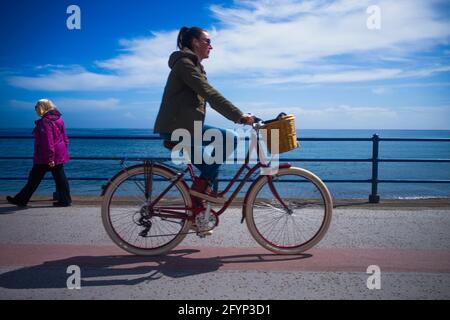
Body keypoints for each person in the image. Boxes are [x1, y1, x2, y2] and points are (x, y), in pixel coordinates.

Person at [154, 26, 254, 204]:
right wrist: (239, 115)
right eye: (208, 41)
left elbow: (208, 96)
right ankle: (196, 202)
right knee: (222, 148)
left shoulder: (195, 67)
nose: (211, 46)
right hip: (176, 128)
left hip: (188, 127)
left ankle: (200, 203)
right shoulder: (185, 65)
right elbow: (209, 93)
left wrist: (239, 115)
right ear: (195, 42)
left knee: (221, 149)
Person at [6, 99, 72, 207]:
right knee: (60, 178)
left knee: (34, 178)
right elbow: (65, 138)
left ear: (42, 107)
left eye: (37, 106)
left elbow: (48, 141)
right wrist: (62, 151)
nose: (35, 108)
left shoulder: (44, 122)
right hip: (59, 152)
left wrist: (50, 158)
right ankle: (65, 200)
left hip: (45, 155)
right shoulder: (60, 120)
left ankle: (21, 200)